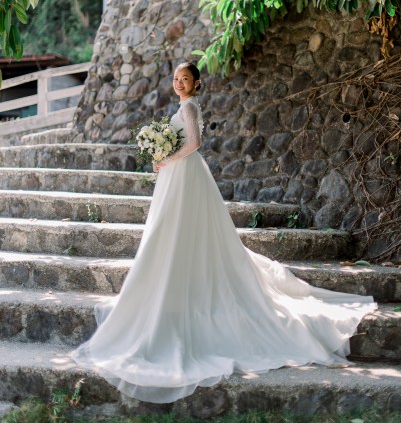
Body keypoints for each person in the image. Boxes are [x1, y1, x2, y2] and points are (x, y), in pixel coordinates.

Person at [71, 62, 377, 404]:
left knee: (179, 230)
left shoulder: (189, 106)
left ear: (196, 84)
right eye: (175, 78)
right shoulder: (182, 106)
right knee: (171, 229)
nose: (179, 83)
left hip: (184, 172)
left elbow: (196, 142)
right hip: (177, 174)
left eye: (185, 79)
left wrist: (167, 156)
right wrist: (163, 157)